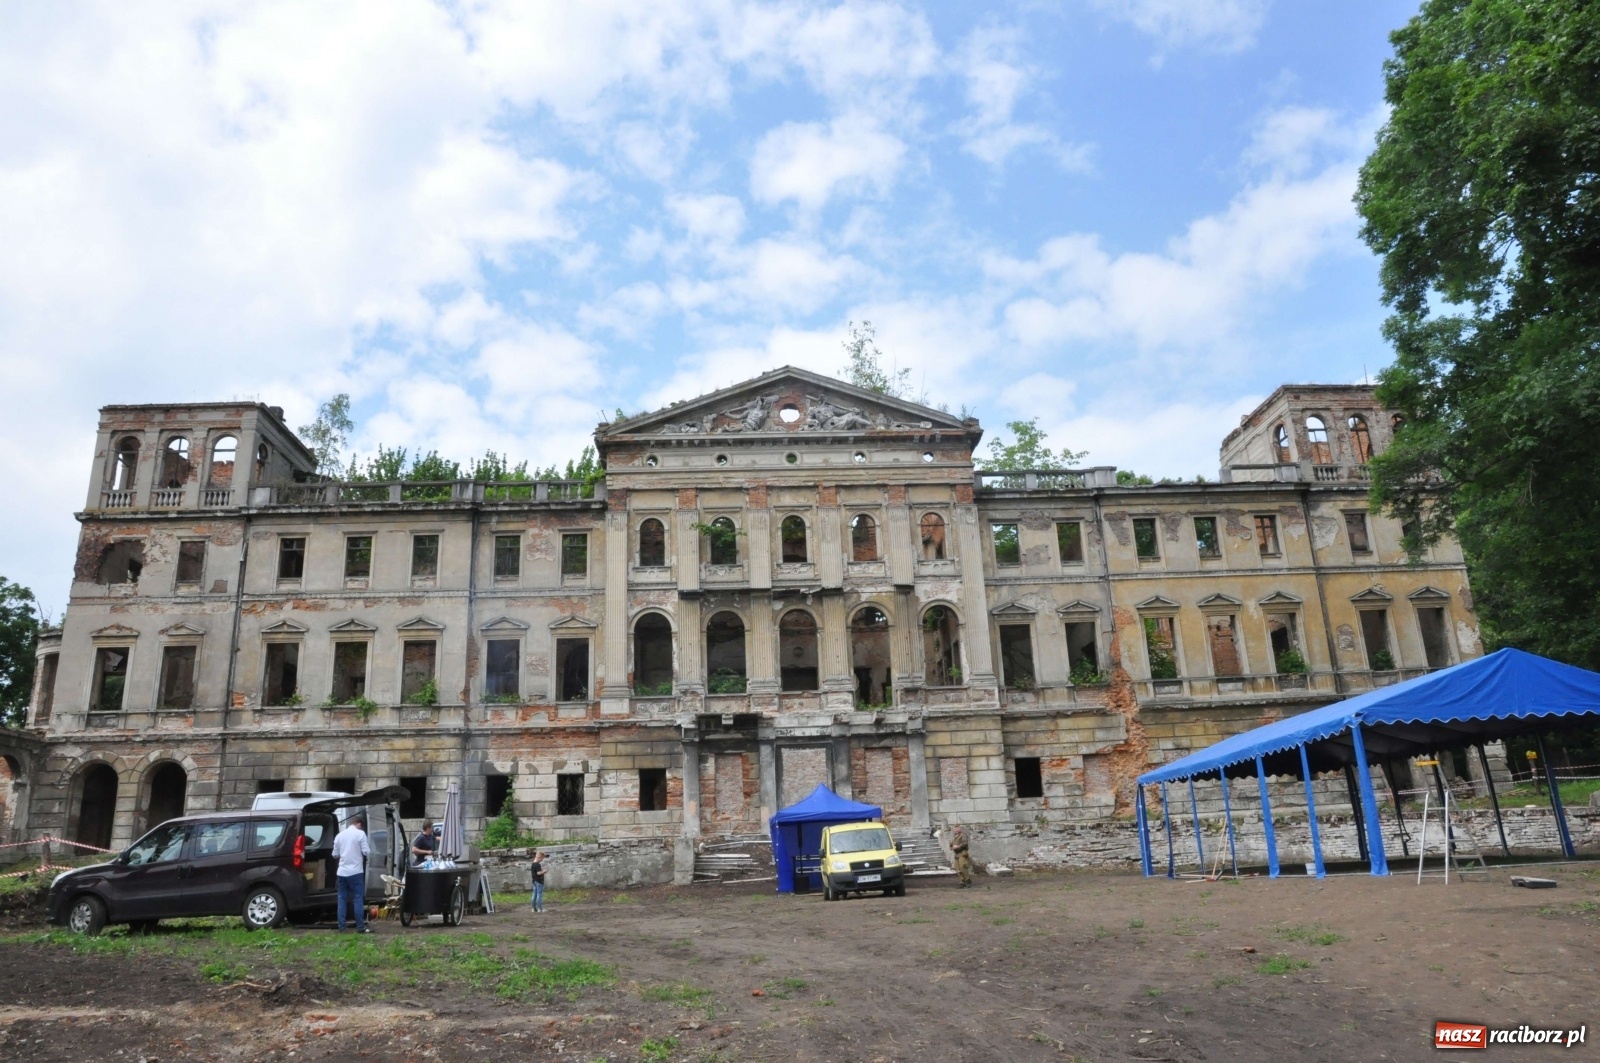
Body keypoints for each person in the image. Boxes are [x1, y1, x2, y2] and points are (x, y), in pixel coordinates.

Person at [333, 815, 372, 933]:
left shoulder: (339, 836)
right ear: (359, 824)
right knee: (358, 899)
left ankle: (341, 927)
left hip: (342, 872)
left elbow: (335, 854)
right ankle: (360, 927)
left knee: (342, 899)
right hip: (356, 872)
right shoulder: (360, 834)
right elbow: (366, 852)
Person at [950, 824, 973, 888]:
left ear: (960, 829)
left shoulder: (963, 835)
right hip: (956, 854)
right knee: (958, 869)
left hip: (962, 853)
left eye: (957, 828)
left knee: (963, 867)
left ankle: (968, 880)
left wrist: (957, 847)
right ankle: (962, 881)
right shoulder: (954, 837)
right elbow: (951, 844)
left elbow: (965, 843)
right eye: (954, 829)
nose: (955, 830)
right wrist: (952, 847)